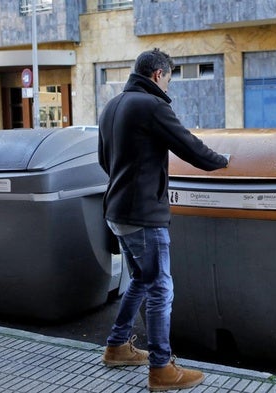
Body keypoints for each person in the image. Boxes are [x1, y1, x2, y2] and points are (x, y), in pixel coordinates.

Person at [98, 48, 228, 392]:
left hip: (116, 210)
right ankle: (161, 368)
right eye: (169, 78)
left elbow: (104, 159)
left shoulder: (112, 105)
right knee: (160, 288)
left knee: (141, 279)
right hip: (143, 215)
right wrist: (224, 161)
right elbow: (190, 147)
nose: (169, 86)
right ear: (158, 74)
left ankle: (117, 346)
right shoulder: (152, 105)